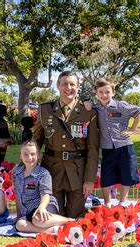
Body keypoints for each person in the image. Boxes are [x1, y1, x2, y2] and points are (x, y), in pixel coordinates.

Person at [32, 71, 99, 218]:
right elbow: (36, 141)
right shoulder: (45, 110)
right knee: (53, 216)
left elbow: (93, 149)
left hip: (77, 172)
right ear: (58, 85)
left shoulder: (88, 112)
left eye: (72, 84)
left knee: (74, 216)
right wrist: (28, 169)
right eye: (64, 84)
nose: (68, 88)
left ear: (78, 87)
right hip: (51, 171)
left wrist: (89, 179)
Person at [86, 78, 140, 207]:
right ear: (96, 93)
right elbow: (85, 109)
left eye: (107, 92)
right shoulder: (96, 108)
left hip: (125, 146)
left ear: (113, 92)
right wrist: (86, 104)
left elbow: (139, 111)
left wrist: (132, 129)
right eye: (100, 92)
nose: (104, 95)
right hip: (107, 148)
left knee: (126, 174)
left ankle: (122, 202)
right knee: (106, 177)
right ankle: (107, 203)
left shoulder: (121, 106)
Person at [13, 140, 72, 233]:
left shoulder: (43, 173)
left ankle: (71, 222)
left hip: (46, 205)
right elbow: (17, 195)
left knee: (37, 220)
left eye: (33, 154)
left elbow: (46, 194)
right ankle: (55, 229)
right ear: (20, 155)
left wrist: (42, 207)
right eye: (25, 154)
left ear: (38, 155)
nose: (29, 157)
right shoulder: (16, 172)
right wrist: (18, 216)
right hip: (29, 212)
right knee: (20, 225)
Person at [0, 99, 13, 164]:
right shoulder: (2, 122)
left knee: (0, 155)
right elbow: (4, 133)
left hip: (0, 139)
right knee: (1, 155)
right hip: (2, 140)